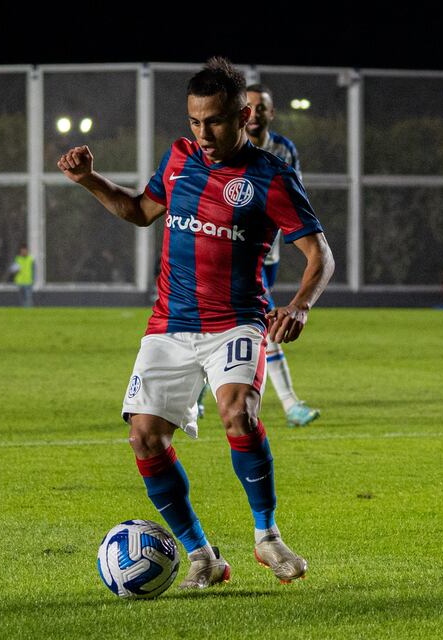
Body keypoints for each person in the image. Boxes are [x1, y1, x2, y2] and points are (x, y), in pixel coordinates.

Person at [56, 57, 334, 590]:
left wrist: (300, 305)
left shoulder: (271, 177)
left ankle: (267, 536)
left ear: (243, 116)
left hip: (236, 321)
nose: (204, 134)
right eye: (195, 122)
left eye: (215, 121)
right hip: (170, 323)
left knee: (238, 413)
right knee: (144, 438)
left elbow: (320, 255)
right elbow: (139, 211)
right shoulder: (179, 158)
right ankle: (202, 556)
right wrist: (89, 179)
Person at [238, 82, 322, 428]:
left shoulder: (284, 150)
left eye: (262, 107)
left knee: (238, 324)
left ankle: (197, 395)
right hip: (240, 252)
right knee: (263, 321)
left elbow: (294, 197)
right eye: (250, 107)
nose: (255, 114)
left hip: (269, 254)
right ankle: (290, 404)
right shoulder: (231, 148)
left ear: (271, 113)